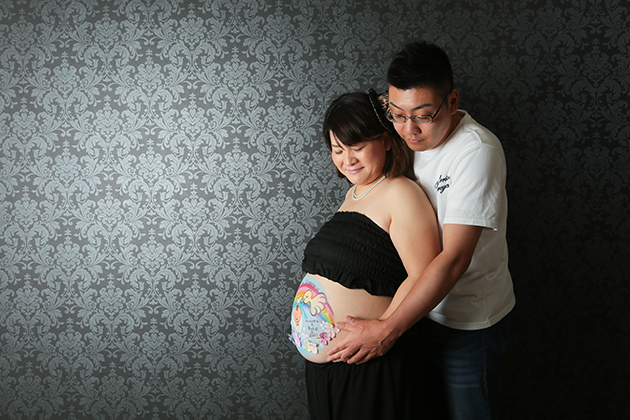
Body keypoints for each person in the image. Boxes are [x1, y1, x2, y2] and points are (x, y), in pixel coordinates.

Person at [326, 42, 516, 420]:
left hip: (466, 321)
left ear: (452, 101)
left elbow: (454, 258)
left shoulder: (476, 152)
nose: (408, 130)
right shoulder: (401, 132)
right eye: (397, 114)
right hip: (418, 315)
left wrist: (387, 329)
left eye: (422, 116)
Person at [289, 91, 440, 419]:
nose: (348, 160)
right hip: (330, 372)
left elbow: (425, 274)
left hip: (370, 365)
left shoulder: (400, 192)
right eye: (338, 150)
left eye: (357, 147)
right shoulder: (353, 195)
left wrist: (384, 330)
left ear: (385, 141)